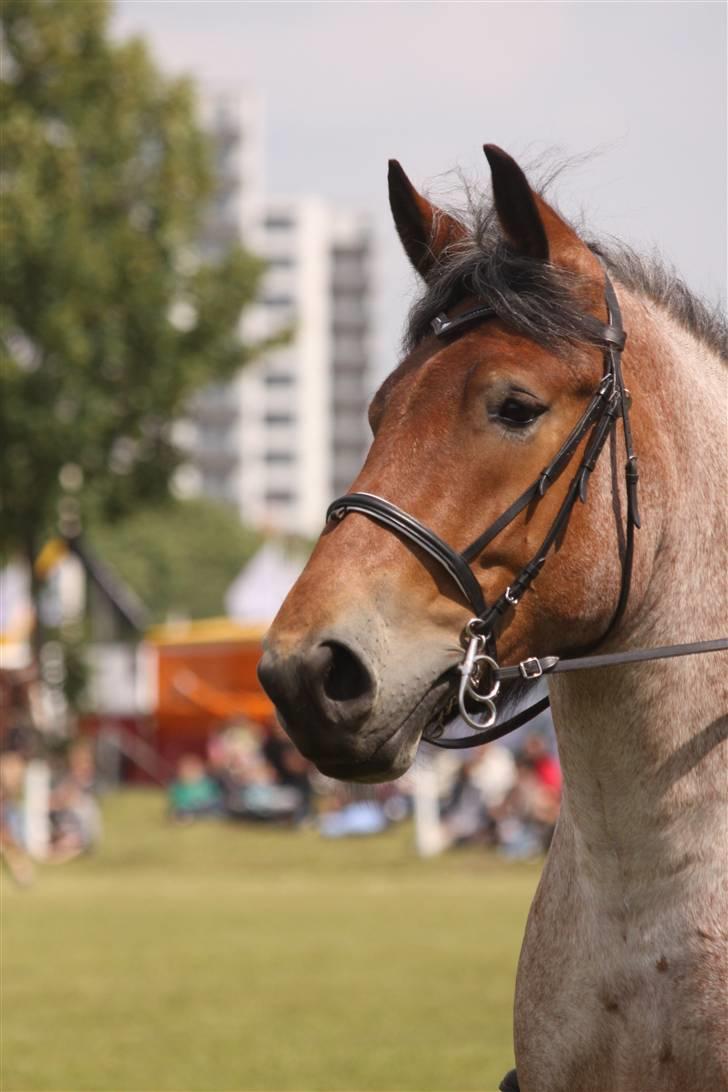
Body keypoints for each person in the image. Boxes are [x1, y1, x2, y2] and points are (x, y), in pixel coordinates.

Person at [168, 753, 222, 822]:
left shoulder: (209, 784)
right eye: (187, 770)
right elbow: (176, 802)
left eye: (193, 770)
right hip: (189, 809)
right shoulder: (178, 787)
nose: (190, 774)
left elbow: (217, 797)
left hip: (208, 807)